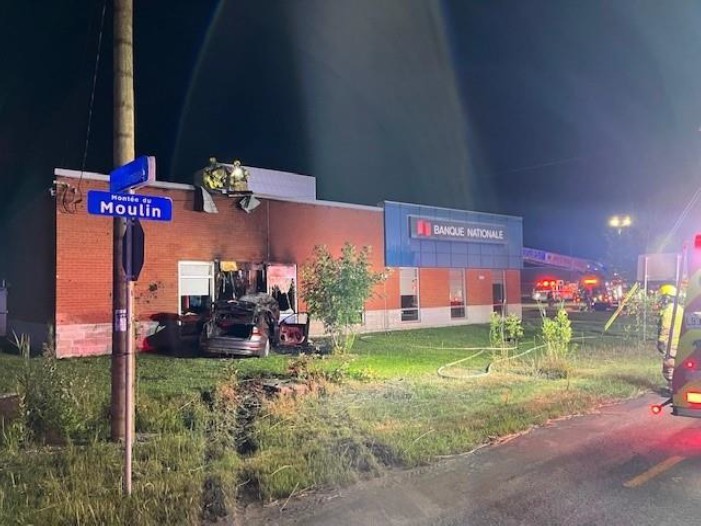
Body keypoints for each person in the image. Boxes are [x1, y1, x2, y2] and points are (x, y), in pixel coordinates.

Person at [656, 283, 684, 393]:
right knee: (677, 365)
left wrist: (661, 341)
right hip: (680, 341)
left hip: (670, 342)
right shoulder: (680, 309)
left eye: (663, 296)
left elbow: (665, 327)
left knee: (668, 366)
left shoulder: (669, 310)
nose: (662, 299)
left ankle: (672, 389)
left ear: (667, 296)